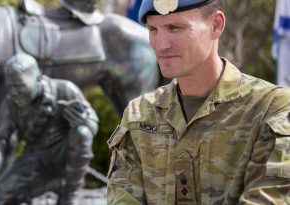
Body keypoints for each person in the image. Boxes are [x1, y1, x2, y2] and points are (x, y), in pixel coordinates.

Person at [106, 0, 290, 204]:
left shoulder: (272, 108)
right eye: (153, 29)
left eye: (175, 28)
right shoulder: (139, 114)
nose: (161, 45)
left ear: (216, 25)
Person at [0, 53, 98, 205]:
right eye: (10, 87)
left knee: (82, 133)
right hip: (35, 158)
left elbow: (92, 124)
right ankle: (53, 184)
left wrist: (84, 121)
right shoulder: (9, 104)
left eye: (20, 86)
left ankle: (69, 195)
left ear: (38, 78)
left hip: (64, 154)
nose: (14, 93)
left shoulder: (65, 89)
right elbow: (0, 139)